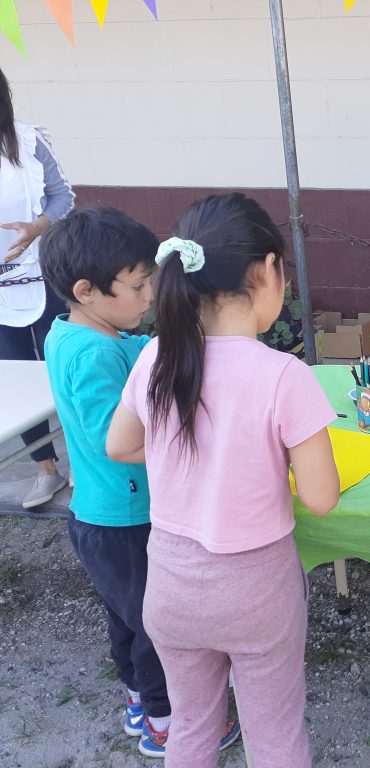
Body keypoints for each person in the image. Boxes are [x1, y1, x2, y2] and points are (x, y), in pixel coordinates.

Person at [106, 193, 340, 766]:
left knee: (190, 731)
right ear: (268, 271)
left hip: (170, 584)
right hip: (257, 589)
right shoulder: (285, 375)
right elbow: (321, 496)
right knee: (275, 736)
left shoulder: (155, 357)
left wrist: (191, 461)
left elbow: (120, 445)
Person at [38, 207, 173, 752]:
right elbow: (111, 443)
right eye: (139, 286)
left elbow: (134, 351)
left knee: (127, 615)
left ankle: (139, 700)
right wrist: (185, 446)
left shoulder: (74, 334)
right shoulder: (95, 352)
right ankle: (167, 724)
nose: (148, 297)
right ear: (87, 290)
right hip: (123, 517)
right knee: (157, 624)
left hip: (100, 514)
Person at [0, 65, 75, 508]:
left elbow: (64, 196)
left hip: (42, 278)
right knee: (17, 380)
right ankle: (47, 470)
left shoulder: (28, 141)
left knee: (63, 369)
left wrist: (38, 226)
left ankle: (85, 466)